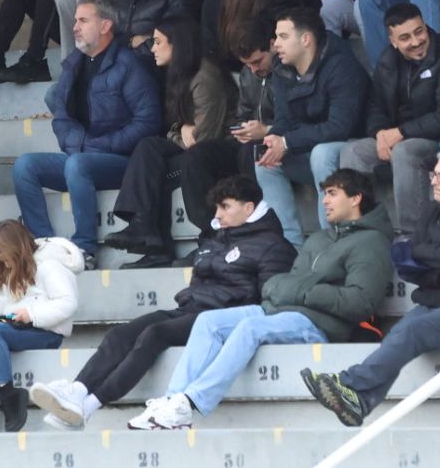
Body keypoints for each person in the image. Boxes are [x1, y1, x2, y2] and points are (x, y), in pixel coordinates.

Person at [126, 169, 393, 431]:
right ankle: (172, 400)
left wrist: (304, 292)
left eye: (332, 194)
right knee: (209, 321)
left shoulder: (371, 242)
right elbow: (279, 284)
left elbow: (360, 301)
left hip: (319, 324)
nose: (324, 201)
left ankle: (191, 402)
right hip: (281, 311)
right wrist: (300, 289)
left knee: (250, 328)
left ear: (356, 198)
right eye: (324, 194)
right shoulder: (321, 238)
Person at [28, 175, 297, 430]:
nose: (217, 215)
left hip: (220, 318)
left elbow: (267, 301)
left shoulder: (274, 246)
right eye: (217, 207)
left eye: (225, 207)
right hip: (189, 309)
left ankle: (88, 407)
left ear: (249, 207)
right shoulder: (217, 240)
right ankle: (77, 391)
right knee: (122, 333)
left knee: (154, 334)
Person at [304, 147, 440, 426]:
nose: (434, 181)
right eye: (433, 175)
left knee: (412, 329)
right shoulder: (433, 212)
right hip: (439, 298)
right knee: (399, 332)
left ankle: (349, 383)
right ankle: (362, 402)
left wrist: (431, 257)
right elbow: (406, 260)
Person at [13, 0, 162, 267]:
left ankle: (85, 249)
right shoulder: (73, 64)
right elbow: (61, 117)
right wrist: (79, 145)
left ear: (106, 26)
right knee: (25, 166)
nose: (75, 27)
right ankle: (45, 246)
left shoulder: (129, 64)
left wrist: (98, 147)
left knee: (77, 165)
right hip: (83, 157)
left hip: (122, 162)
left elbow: (148, 121)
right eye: (75, 21)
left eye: (83, 20)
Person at [340, 3, 440, 237]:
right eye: (405, 37)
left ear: (426, 26)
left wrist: (400, 132)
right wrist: (381, 134)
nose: (415, 42)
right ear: (393, 41)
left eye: (419, 32)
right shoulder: (388, 60)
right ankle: (360, 234)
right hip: (401, 134)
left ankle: (413, 237)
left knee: (405, 151)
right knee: (354, 152)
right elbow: (374, 106)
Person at [106, 16, 236, 267]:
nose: (152, 48)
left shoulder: (204, 77)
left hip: (217, 155)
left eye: (158, 42)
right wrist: (182, 129)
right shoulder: (180, 73)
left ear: (178, 44)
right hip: (194, 150)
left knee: (165, 169)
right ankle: (143, 228)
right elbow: (176, 129)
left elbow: (204, 140)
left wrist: (181, 131)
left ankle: (202, 240)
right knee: (148, 147)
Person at [256, 7, 370, 246]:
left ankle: (329, 242)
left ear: (306, 39)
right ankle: (290, 247)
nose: (276, 44)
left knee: (322, 152)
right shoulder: (282, 69)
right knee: (265, 161)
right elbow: (284, 120)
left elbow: (340, 127)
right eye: (276, 37)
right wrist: (275, 139)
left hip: (353, 146)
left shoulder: (340, 65)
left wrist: (287, 142)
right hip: (310, 145)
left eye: (284, 37)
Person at [0, 220, 83, 433]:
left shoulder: (50, 266)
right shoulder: (14, 267)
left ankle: (9, 394)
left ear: (14, 249)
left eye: (3, 257)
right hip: (20, 326)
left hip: (47, 331)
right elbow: (5, 300)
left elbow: (68, 302)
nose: (3, 263)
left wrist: (31, 315)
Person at [175, 15, 278, 259]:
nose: (254, 68)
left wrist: (266, 129)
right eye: (248, 64)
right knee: (197, 156)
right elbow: (240, 115)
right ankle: (213, 233)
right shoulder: (248, 74)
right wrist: (242, 129)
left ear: (272, 45)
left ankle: (247, 230)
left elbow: (293, 119)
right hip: (246, 139)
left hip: (273, 140)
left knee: (248, 151)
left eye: (258, 61)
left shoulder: (285, 69)